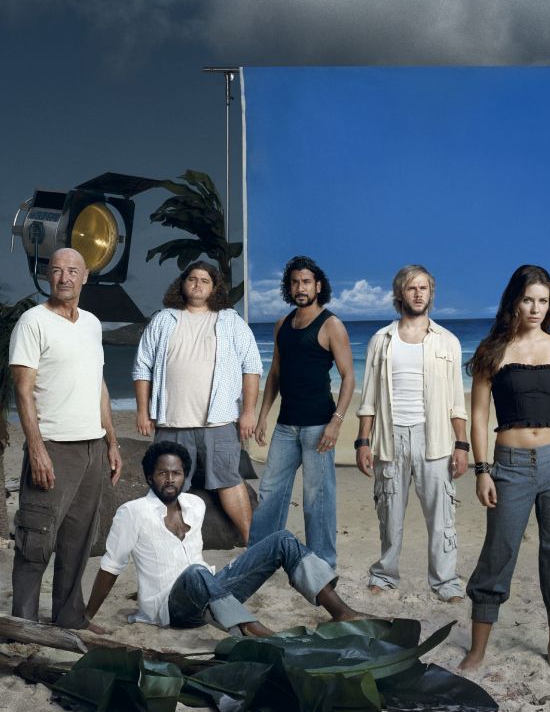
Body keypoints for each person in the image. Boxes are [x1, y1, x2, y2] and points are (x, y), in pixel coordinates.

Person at [84, 442, 367, 637]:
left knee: (281, 539)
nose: (170, 479)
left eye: (177, 473)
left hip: (213, 594)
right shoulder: (132, 512)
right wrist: (87, 616)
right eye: (162, 473)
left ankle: (341, 611)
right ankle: (254, 631)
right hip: (171, 609)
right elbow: (111, 567)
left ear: (184, 476)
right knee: (195, 573)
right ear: (149, 477)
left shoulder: (195, 504)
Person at [458, 265, 550, 671]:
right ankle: (477, 650)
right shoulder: (492, 351)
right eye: (529, 299)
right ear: (515, 300)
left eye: (543, 301)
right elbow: (478, 417)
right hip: (509, 466)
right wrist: (482, 470)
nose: (535, 308)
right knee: (499, 552)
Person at [8, 248, 121, 632]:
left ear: (85, 276)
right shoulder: (32, 322)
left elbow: (99, 385)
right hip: (53, 447)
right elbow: (23, 391)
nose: (64, 278)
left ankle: (69, 617)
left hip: (91, 447)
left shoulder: (90, 323)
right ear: (49, 277)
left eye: (72, 270)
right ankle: (23, 624)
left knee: (78, 541)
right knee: (36, 540)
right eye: (56, 271)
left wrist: (112, 441)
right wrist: (36, 448)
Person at [355, 265, 469, 601]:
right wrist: (363, 441)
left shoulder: (448, 341)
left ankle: (445, 582)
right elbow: (369, 398)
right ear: (399, 294)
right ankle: (385, 575)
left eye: (424, 288)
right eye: (411, 288)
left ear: (431, 294)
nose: (418, 294)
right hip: (390, 439)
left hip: (434, 440)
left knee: (442, 516)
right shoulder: (381, 341)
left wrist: (461, 445)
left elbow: (455, 400)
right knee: (389, 514)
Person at [133, 260, 262, 543]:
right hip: (171, 421)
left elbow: (251, 367)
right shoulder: (164, 320)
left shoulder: (230, 320)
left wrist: (249, 412)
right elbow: (143, 367)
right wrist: (143, 411)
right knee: (167, 485)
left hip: (219, 421)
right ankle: (167, 546)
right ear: (183, 284)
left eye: (205, 280)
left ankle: (251, 544)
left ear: (214, 287)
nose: (198, 284)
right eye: (192, 279)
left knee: (229, 479)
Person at [249, 256, 354, 569]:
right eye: (295, 282)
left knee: (316, 499)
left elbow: (349, 377)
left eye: (306, 282)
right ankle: (259, 559)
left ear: (318, 285)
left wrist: (336, 422)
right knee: (269, 492)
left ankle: (323, 563)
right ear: (288, 287)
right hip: (285, 426)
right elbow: (275, 373)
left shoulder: (331, 325)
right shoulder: (283, 324)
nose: (300, 287)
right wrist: (262, 414)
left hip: (319, 426)